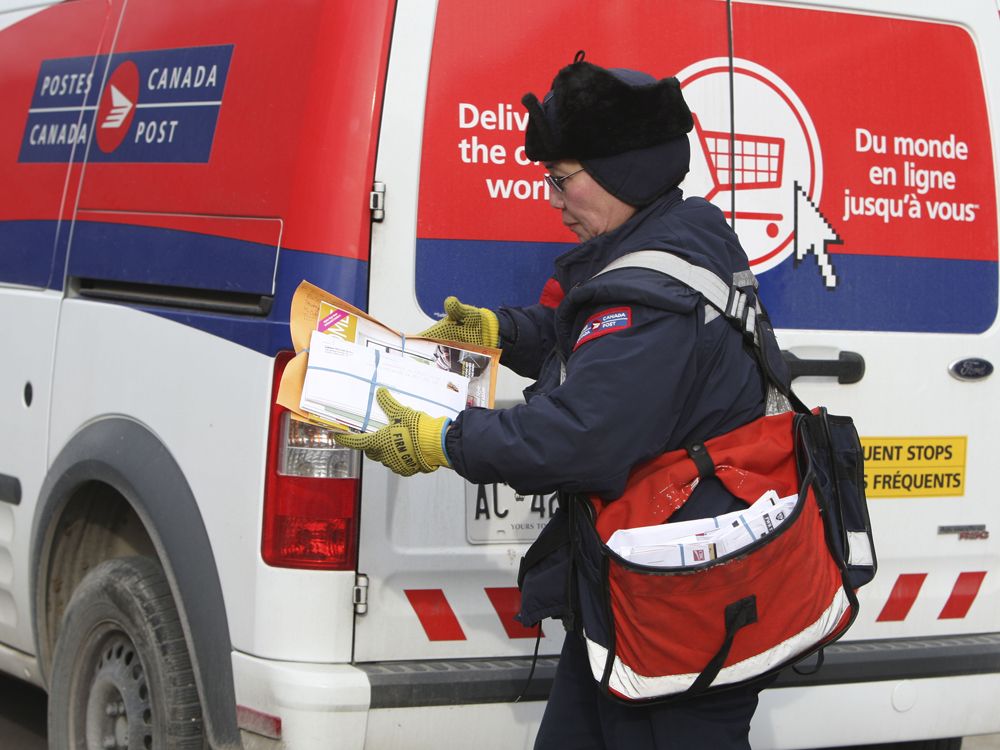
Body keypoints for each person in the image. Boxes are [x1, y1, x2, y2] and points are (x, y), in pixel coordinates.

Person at [336, 52, 779, 749]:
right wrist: (500, 333)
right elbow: (606, 357)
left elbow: (582, 434)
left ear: (619, 172)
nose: (552, 199)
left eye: (561, 178)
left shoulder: (653, 290)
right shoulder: (674, 241)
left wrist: (444, 439)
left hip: (680, 615)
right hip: (644, 596)